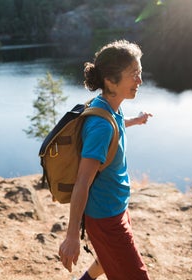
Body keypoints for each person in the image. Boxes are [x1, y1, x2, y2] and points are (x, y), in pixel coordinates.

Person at [58, 40, 152, 280]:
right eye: (134, 75)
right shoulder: (100, 125)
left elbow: (116, 125)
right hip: (105, 217)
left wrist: (136, 120)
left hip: (116, 207)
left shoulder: (108, 106)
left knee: (106, 260)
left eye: (139, 73)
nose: (140, 80)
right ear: (111, 80)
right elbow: (82, 182)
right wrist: (71, 237)